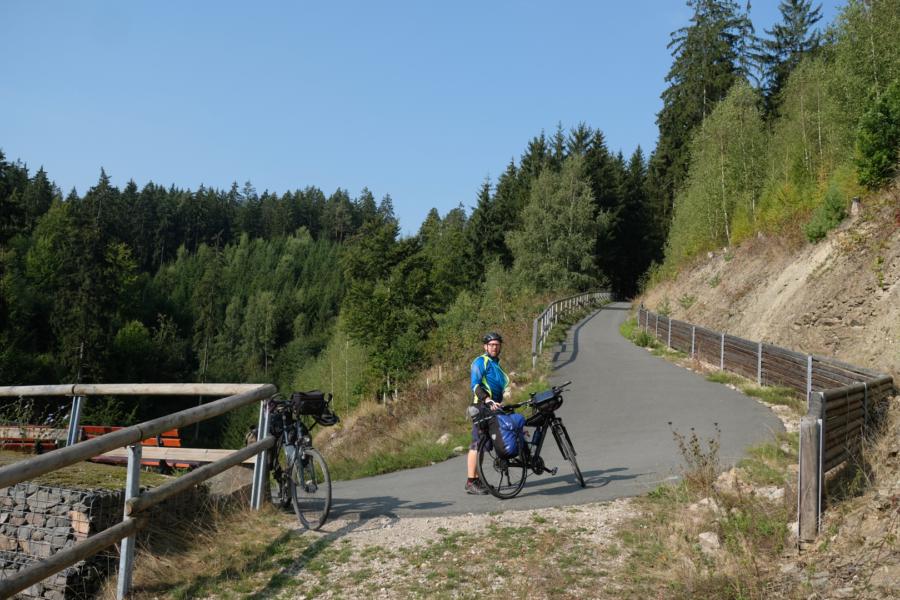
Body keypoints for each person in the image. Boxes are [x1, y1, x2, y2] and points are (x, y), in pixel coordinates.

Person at [465, 331, 510, 494]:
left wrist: (505, 397)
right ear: (485, 346)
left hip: (493, 408)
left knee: (484, 444)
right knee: (477, 443)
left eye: (497, 345)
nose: (494, 347)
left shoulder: (497, 365)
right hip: (481, 407)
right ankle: (471, 481)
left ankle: (477, 480)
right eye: (491, 345)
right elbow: (475, 385)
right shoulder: (480, 361)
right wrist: (487, 399)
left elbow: (502, 386)